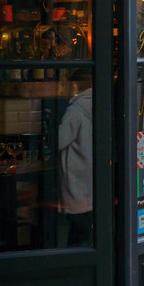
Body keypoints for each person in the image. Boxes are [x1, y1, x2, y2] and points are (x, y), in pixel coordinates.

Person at [59, 71, 94, 247]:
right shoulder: (102, 103)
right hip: (94, 175)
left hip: (77, 177)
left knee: (77, 229)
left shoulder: (75, 110)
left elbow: (60, 140)